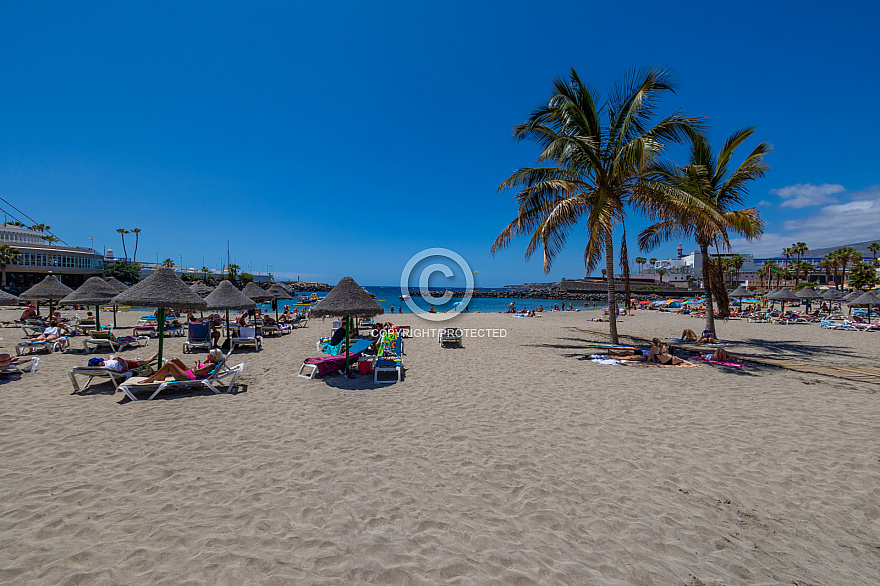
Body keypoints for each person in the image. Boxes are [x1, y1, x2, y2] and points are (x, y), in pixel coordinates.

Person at [134, 349, 224, 384]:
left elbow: (197, 372)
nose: (208, 355)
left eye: (210, 355)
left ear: (215, 358)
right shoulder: (209, 362)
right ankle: (162, 376)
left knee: (170, 365)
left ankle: (150, 379)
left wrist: (197, 363)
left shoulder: (211, 364)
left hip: (190, 376)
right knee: (174, 360)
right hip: (189, 371)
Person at [88, 352, 159, 373]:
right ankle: (153, 357)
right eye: (101, 362)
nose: (102, 361)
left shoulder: (103, 366)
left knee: (111, 356)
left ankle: (132, 359)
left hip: (118, 362)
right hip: (128, 364)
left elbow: (104, 359)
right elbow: (125, 369)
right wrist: (120, 360)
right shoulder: (112, 367)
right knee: (145, 362)